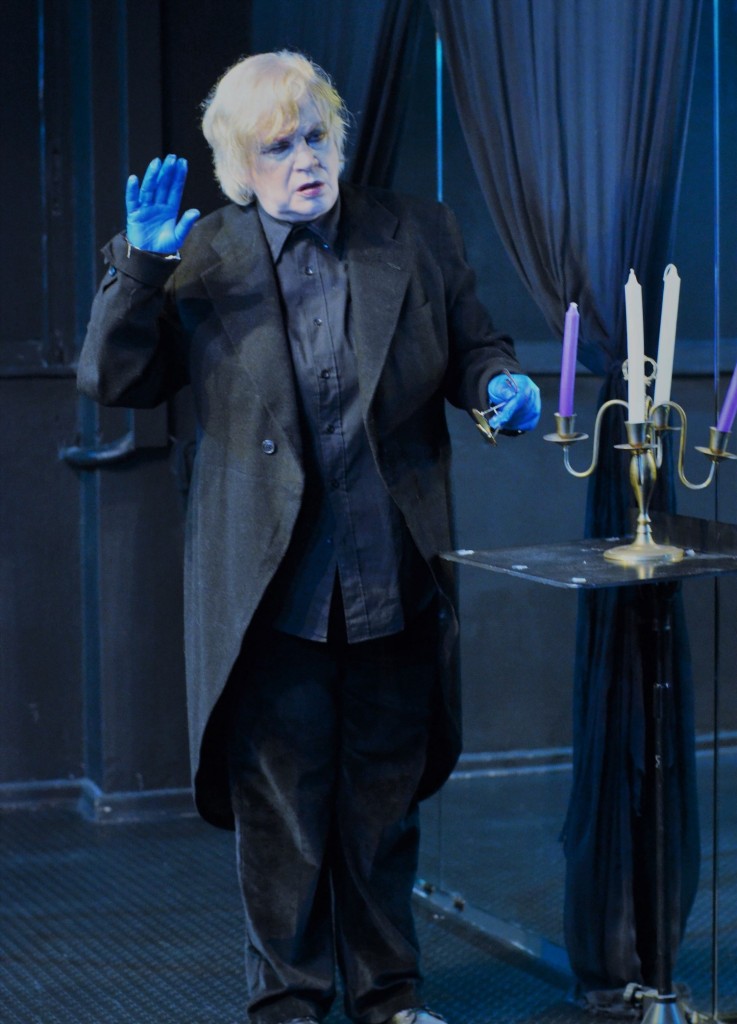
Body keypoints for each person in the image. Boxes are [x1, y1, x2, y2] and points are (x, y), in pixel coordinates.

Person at [78, 50, 541, 1024]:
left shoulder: (415, 232)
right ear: (241, 168)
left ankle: (389, 996)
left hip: (391, 574)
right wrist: (141, 269)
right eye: (278, 147)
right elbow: (115, 380)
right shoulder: (201, 253)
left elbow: (475, 347)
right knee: (281, 815)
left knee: (382, 807)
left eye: (317, 137)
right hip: (268, 591)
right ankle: (288, 1002)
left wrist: (498, 387)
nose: (305, 161)